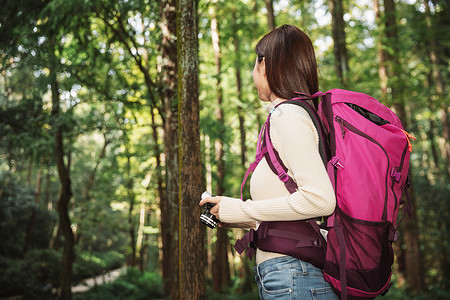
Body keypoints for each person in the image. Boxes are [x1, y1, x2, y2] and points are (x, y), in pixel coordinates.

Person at [199, 24, 338, 299]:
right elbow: (293, 210)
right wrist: (235, 214)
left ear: (265, 65)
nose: (253, 73)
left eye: (255, 62)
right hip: (291, 274)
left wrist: (243, 208)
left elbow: (321, 200)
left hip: (294, 275)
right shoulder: (296, 115)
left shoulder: (288, 116)